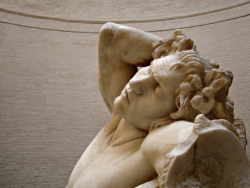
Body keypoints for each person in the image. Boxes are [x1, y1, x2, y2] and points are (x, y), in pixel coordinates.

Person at [66, 23, 250, 188]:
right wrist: (179, 55)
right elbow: (112, 38)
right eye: (150, 68)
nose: (137, 83)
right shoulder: (120, 116)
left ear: (176, 113)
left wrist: (206, 101)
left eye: (158, 88)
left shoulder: (152, 144)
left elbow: (206, 145)